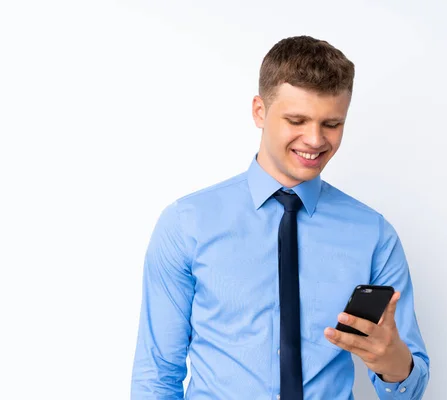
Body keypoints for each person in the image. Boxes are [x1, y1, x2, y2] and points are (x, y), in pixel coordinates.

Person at [131, 35, 430, 400]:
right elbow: (158, 374)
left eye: (332, 124)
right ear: (260, 111)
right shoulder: (187, 224)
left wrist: (391, 360)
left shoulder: (373, 234)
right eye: (297, 120)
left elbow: (407, 390)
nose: (315, 139)